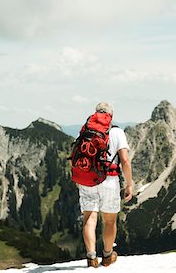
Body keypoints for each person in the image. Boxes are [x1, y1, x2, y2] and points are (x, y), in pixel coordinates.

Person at [77, 102, 133, 268]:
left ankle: (91, 257)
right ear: (111, 115)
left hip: (87, 179)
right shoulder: (117, 132)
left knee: (89, 218)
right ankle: (107, 256)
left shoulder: (86, 130)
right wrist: (129, 184)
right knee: (109, 221)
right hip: (109, 180)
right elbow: (125, 160)